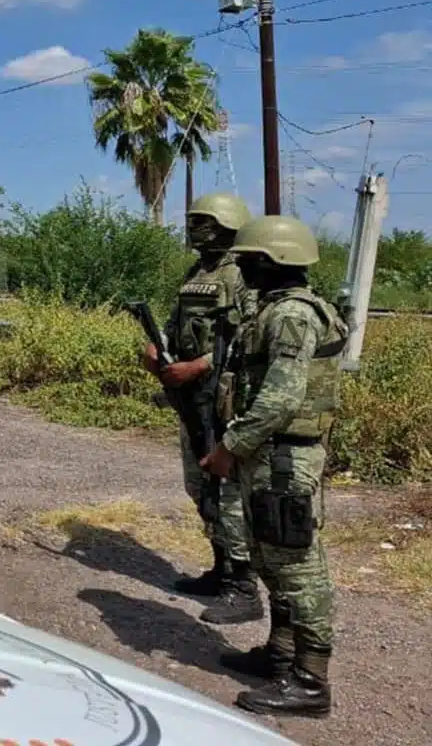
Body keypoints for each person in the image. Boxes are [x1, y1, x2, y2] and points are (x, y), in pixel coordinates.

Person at [200, 215, 347, 718]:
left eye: (247, 259)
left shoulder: (292, 315)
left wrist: (229, 448)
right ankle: (282, 657)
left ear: (271, 261)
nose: (240, 267)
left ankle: (310, 681)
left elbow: (280, 399)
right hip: (270, 452)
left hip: (283, 455)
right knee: (271, 560)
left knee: (298, 567)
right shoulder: (275, 309)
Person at [146, 191, 261, 625]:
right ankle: (220, 568)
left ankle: (243, 587)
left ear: (228, 224)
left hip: (223, 398)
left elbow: (247, 340)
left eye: (204, 221)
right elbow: (178, 328)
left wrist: (198, 366)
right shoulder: (198, 272)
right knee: (199, 487)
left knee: (227, 493)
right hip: (193, 398)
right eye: (193, 221)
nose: (195, 229)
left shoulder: (241, 275)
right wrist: (161, 353)